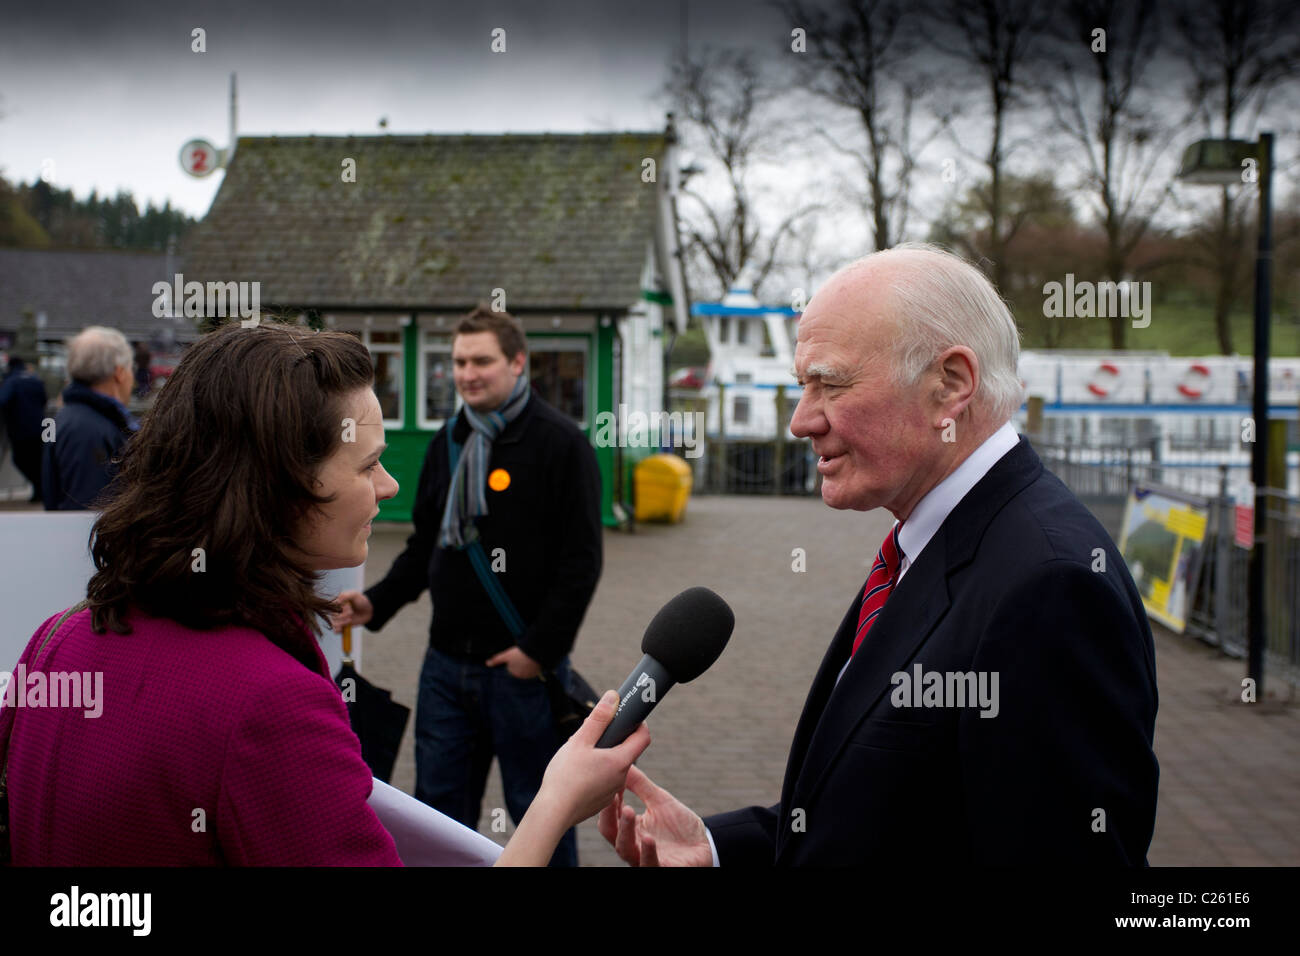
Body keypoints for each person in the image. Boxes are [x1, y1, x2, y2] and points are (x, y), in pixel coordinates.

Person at [0, 321, 646, 866]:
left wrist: (538, 647)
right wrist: (558, 801)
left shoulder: (55, 641)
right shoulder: (269, 706)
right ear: (279, 483)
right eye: (367, 465)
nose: (388, 485)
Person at [598, 243, 1160, 866]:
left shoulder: (1049, 590)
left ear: (950, 385)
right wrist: (714, 848)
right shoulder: (936, 541)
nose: (801, 420)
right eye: (802, 386)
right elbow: (883, 813)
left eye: (830, 383)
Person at [332, 306, 603, 868]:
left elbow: (582, 562)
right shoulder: (449, 441)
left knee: (540, 818)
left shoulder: (561, 444)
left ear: (517, 362)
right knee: (439, 822)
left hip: (523, 676)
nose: (467, 373)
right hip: (445, 671)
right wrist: (373, 602)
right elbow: (426, 546)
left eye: (482, 360)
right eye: (458, 362)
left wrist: (537, 651)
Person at [42, 326, 139, 511]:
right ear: (119, 373)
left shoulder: (69, 418)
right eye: (130, 369)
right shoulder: (88, 429)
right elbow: (89, 511)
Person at [0, 357, 48, 502]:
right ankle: (40, 491)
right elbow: (44, 399)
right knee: (38, 461)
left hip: (20, 429)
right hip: (40, 428)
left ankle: (39, 489)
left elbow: (3, 400)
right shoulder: (35, 379)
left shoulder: (12, 381)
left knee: (20, 459)